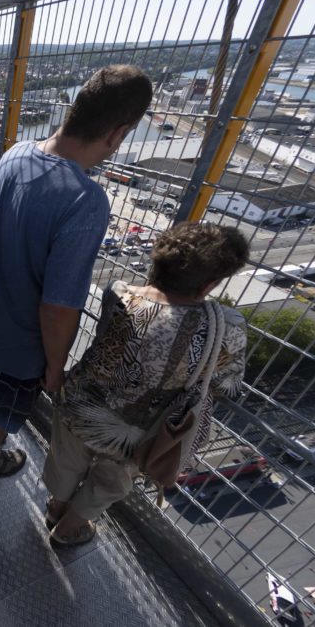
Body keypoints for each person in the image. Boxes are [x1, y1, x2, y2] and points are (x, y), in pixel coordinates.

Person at [0, 65, 153, 478]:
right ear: (118, 134)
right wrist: (55, 365)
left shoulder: (15, 154)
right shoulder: (85, 200)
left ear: (74, 108)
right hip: (16, 339)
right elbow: (58, 306)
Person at [44, 223, 249, 545]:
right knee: (112, 480)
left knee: (65, 459)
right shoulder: (229, 326)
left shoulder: (118, 293)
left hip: (79, 404)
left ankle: (56, 508)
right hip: (141, 429)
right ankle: (69, 528)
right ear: (209, 284)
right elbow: (227, 386)